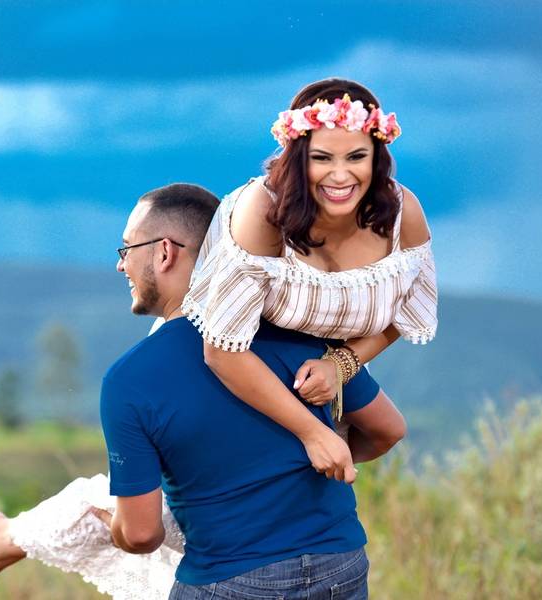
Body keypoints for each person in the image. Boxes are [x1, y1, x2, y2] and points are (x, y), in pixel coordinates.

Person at [0, 183, 406, 600]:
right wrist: (300, 463)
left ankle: (7, 537)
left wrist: (111, 524)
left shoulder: (131, 379)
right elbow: (387, 430)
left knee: (99, 503)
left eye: (126, 248)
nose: (120, 263)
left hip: (230, 583)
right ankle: (4, 538)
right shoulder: (298, 332)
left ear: (165, 252)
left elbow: (143, 535)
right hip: (340, 567)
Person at [183, 77, 436, 482]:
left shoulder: (403, 214)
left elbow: (403, 313)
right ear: (299, 158)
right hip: (241, 340)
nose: (340, 176)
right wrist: (313, 432)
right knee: (238, 451)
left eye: (356, 157)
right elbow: (221, 351)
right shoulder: (262, 211)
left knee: (389, 431)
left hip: (321, 353)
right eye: (322, 158)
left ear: (377, 157)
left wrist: (342, 364)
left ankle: (287, 484)